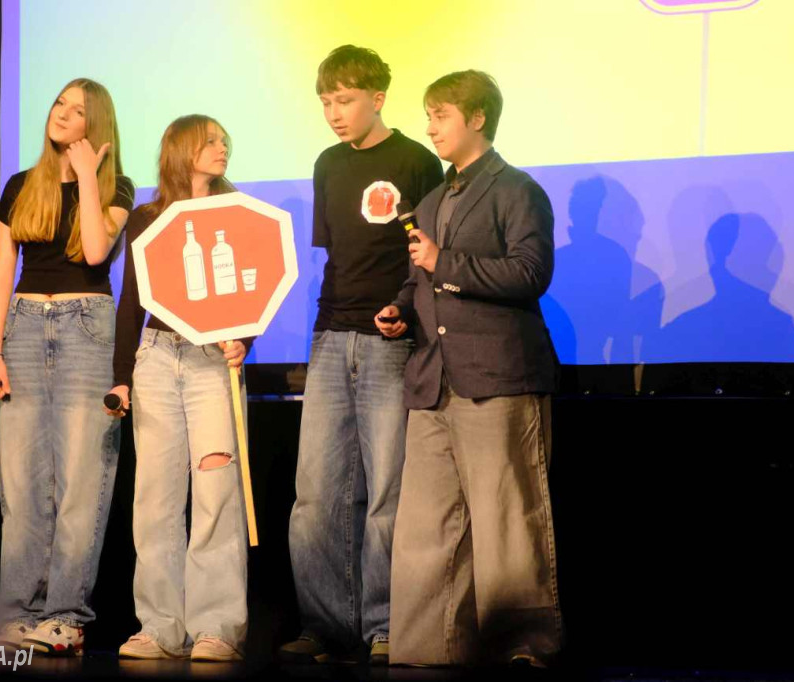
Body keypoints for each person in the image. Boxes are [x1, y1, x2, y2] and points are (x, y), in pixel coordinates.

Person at [376, 70, 562, 667]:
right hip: (435, 383)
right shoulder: (432, 199)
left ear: (477, 118)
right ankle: (426, 651)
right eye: (427, 115)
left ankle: (520, 652)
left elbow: (531, 273)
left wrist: (444, 262)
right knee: (425, 530)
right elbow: (418, 277)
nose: (430, 127)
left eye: (441, 115)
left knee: (507, 523)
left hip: (499, 378)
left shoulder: (516, 189)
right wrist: (401, 309)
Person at [281, 45, 444, 665]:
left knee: (386, 494)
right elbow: (335, 256)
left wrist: (403, 307)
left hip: (390, 342)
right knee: (316, 494)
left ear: (378, 97)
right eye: (325, 101)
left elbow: (427, 254)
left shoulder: (417, 160)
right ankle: (324, 625)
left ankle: (384, 624)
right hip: (331, 336)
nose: (333, 113)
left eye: (344, 100)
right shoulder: (327, 163)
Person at [0, 78, 134, 655]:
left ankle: (66, 615)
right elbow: (1, 271)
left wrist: (89, 180)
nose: (62, 115)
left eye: (78, 111)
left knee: (80, 482)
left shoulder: (116, 185)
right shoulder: (21, 185)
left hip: (86, 328)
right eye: (59, 105)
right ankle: (17, 612)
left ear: (94, 128)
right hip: (23, 327)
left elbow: (96, 252)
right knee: (20, 484)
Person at [106, 115, 250, 663]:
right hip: (158, 359)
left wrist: (247, 341)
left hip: (214, 359)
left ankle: (216, 627)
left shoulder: (235, 211)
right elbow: (131, 300)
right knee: (156, 497)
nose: (221, 147)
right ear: (181, 150)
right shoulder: (147, 217)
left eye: (223, 138)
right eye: (210, 140)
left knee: (216, 492)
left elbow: (249, 286)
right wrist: (122, 374)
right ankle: (159, 625)